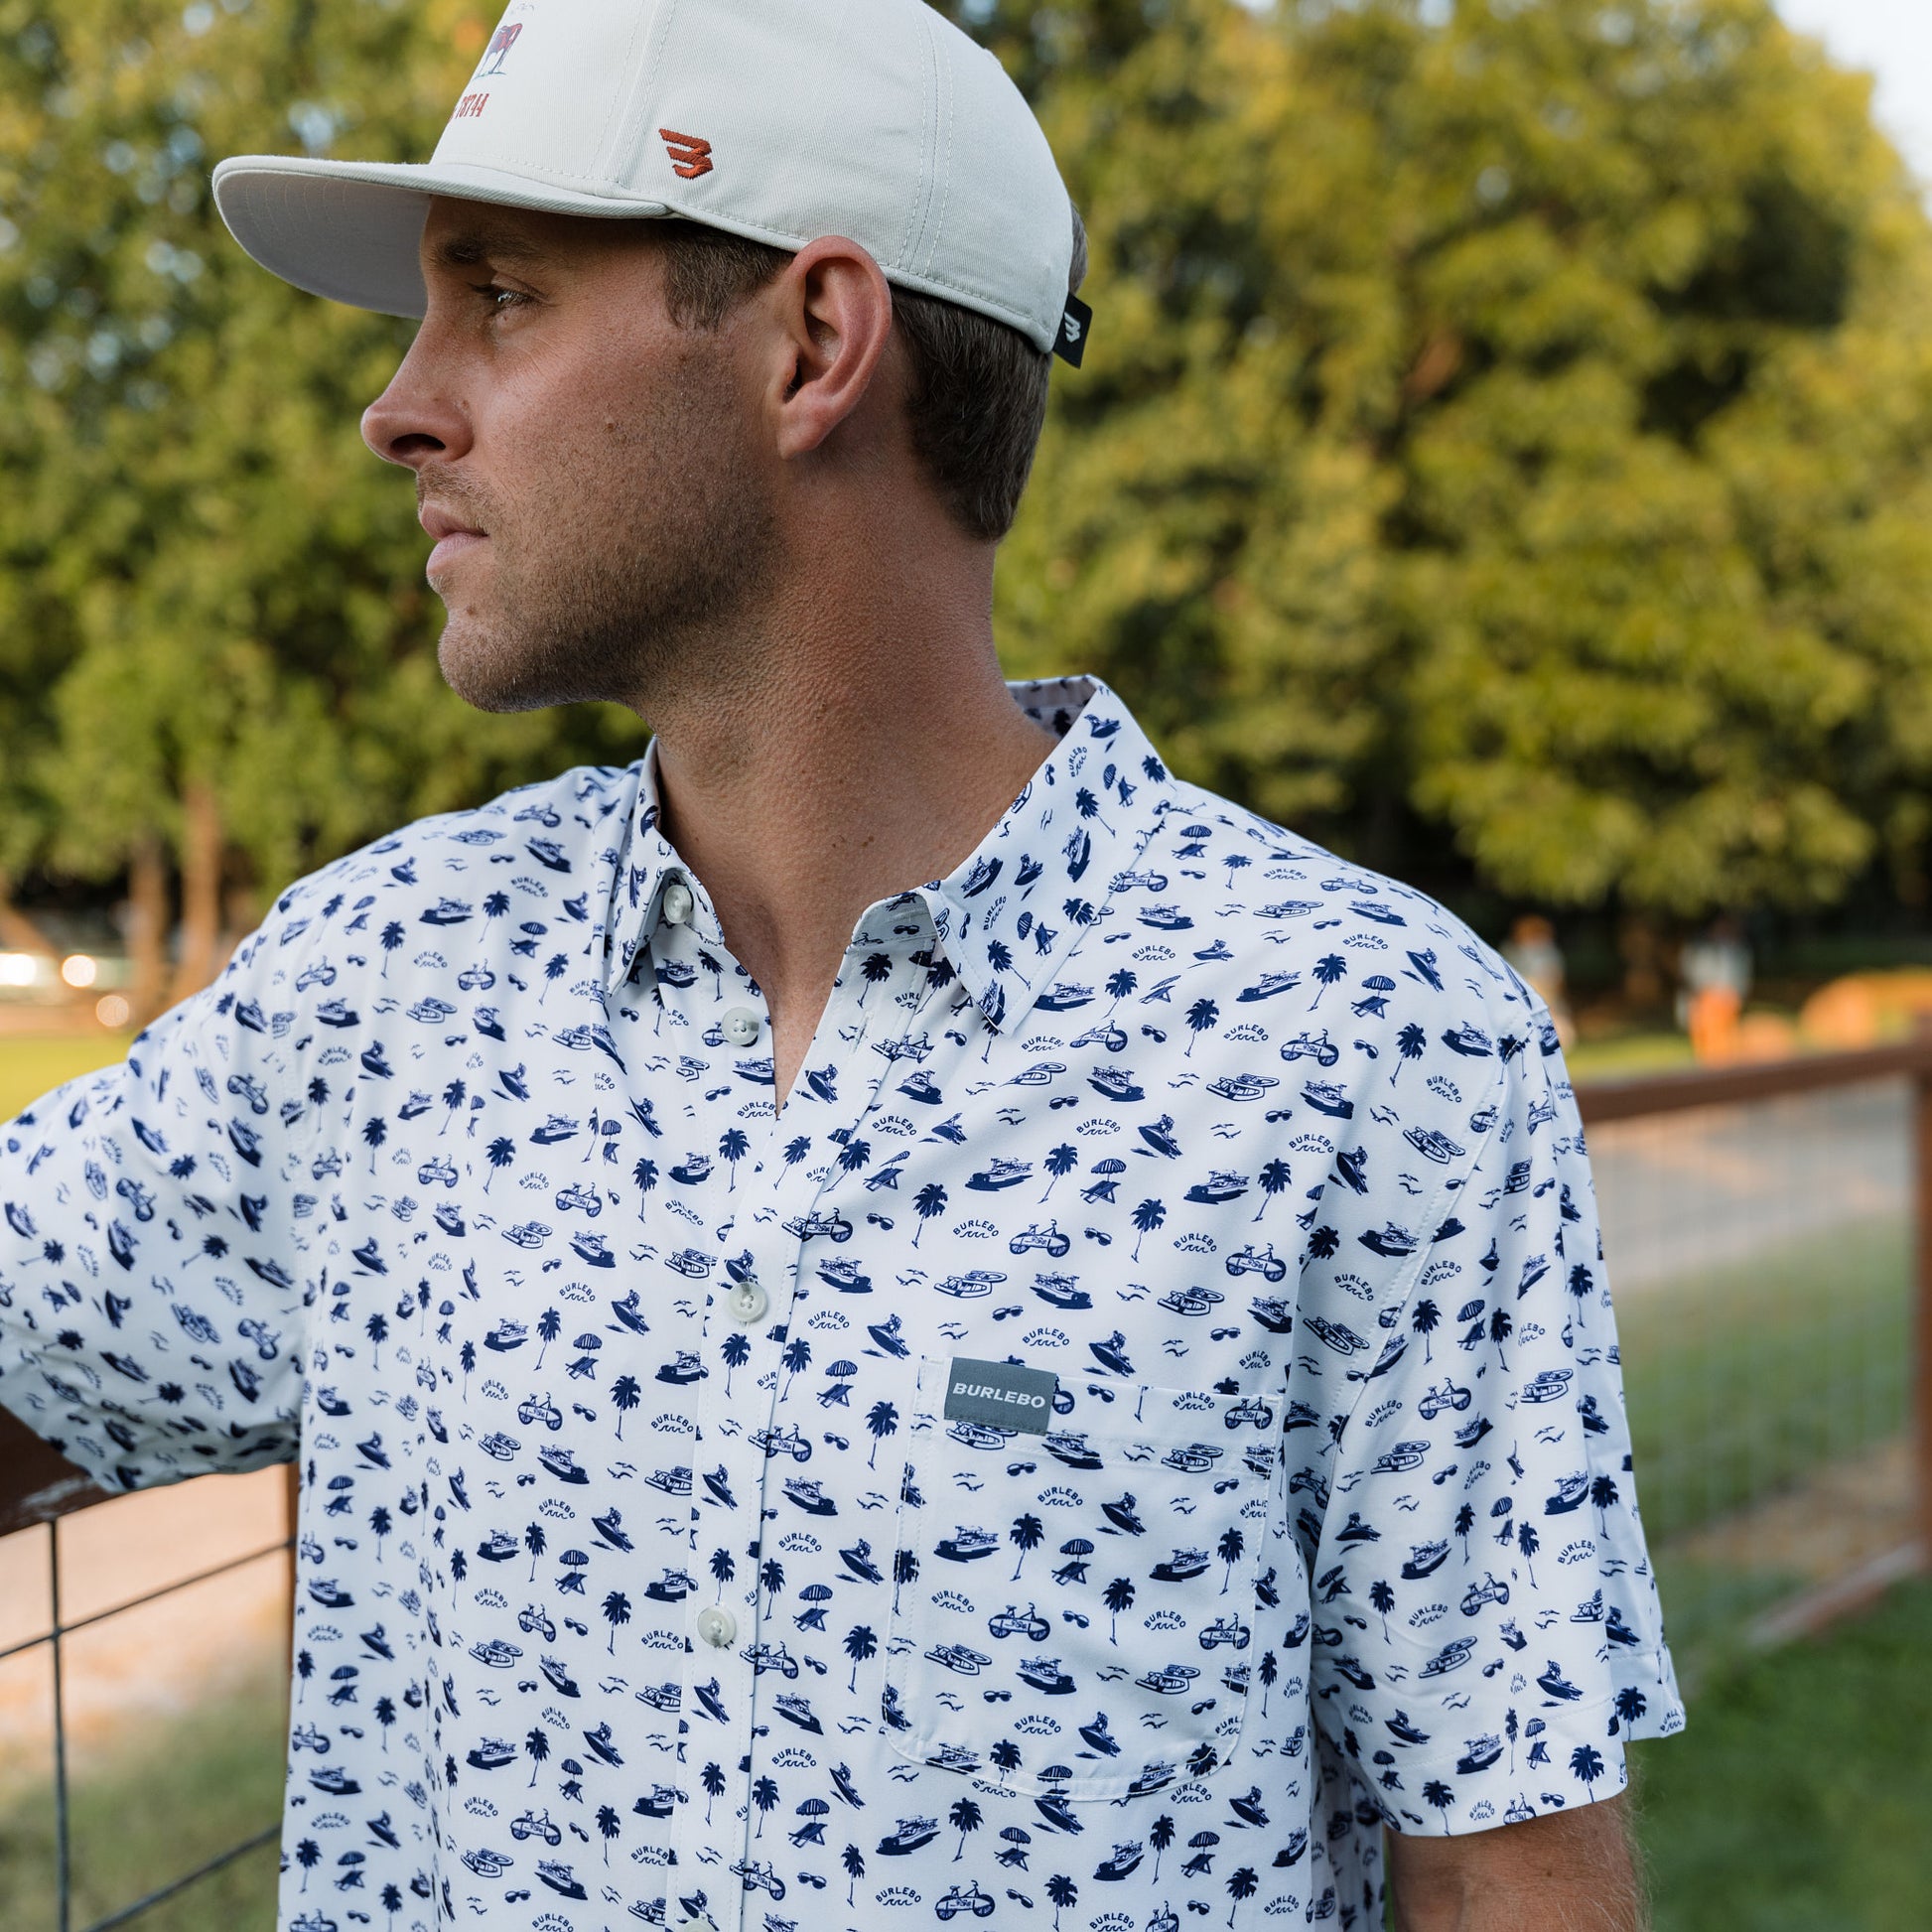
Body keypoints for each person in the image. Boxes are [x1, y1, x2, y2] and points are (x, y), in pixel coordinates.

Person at [0, 2, 1681, 1927]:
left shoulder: (1371, 1048)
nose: (400, 403)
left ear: (813, 343)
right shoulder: (375, 996)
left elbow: (1508, 1869)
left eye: (502, 295)